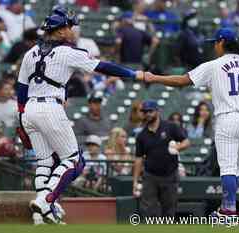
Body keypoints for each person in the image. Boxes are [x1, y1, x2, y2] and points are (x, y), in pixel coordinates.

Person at [139, 28, 239, 220]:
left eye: (215, 42)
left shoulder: (214, 65)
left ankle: (228, 211)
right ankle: (227, 209)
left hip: (228, 119)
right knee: (234, 168)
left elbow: (182, 81)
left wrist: (155, 78)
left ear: (221, 43)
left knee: (228, 168)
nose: (214, 46)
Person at [17, 7, 144, 224]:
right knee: (74, 160)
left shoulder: (30, 53)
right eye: (69, 26)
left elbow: (20, 89)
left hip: (29, 109)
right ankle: (45, 200)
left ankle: (41, 216)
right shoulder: (68, 52)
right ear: (60, 30)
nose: (73, 30)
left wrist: (21, 119)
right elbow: (102, 66)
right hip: (50, 107)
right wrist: (133, 74)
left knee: (45, 161)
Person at [133, 100, 190, 217]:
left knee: (169, 210)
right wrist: (135, 181)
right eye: (145, 112)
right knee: (148, 210)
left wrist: (178, 148)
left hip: (169, 174)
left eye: (150, 111)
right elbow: (138, 159)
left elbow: (186, 142)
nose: (148, 114)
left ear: (157, 111)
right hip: (150, 176)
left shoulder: (170, 127)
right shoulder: (141, 135)